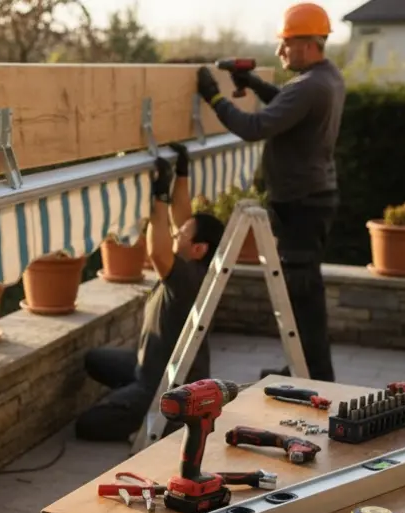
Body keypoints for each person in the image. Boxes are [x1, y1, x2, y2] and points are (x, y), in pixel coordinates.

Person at [195, 2, 344, 383]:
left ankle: (316, 377)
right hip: (311, 199)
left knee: (303, 295)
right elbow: (288, 103)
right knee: (301, 294)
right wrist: (255, 83)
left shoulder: (309, 86)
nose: (279, 53)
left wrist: (215, 98)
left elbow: (253, 126)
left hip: (301, 203)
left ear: (308, 44)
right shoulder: (327, 78)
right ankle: (303, 368)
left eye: (286, 44)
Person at [75, 143, 226, 442]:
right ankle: (128, 397)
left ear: (198, 249)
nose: (176, 232)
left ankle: (144, 415)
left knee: (87, 426)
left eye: (181, 235)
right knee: (94, 359)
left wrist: (158, 197)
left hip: (163, 384)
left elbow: (156, 252)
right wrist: (181, 174)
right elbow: (183, 220)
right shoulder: (196, 264)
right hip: (148, 363)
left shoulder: (187, 278)